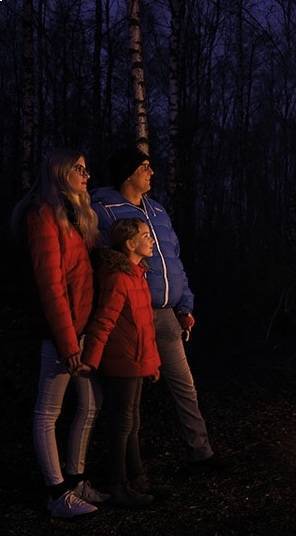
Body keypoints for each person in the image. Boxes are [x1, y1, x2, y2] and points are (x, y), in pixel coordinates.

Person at [91, 146, 222, 469]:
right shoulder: (103, 207)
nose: (151, 172)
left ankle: (201, 452)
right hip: (130, 313)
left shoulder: (158, 212)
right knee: (128, 393)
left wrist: (185, 303)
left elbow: (174, 261)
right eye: (145, 167)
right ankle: (124, 465)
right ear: (128, 173)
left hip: (166, 314)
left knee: (184, 384)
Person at [10, 149, 109, 518]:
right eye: (79, 169)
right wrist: (67, 342)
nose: (87, 176)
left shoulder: (75, 217)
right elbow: (51, 287)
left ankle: (76, 477)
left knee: (90, 403)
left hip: (81, 330)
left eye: (87, 169)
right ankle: (56, 494)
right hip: (60, 334)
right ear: (60, 173)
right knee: (48, 411)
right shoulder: (43, 217)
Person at [82, 219, 161, 507]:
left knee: (132, 421)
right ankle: (117, 485)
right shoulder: (118, 278)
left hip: (137, 360)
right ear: (130, 244)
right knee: (122, 424)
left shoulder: (137, 275)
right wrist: (90, 361)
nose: (151, 239)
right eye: (145, 235)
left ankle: (135, 477)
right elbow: (104, 321)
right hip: (122, 362)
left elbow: (144, 326)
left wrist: (153, 363)